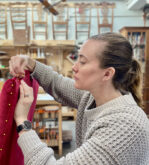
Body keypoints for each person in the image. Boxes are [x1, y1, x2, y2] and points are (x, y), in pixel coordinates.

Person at [9, 32, 149, 165]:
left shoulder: (124, 127)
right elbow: (56, 83)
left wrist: (22, 122)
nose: (74, 67)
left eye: (82, 62)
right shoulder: (92, 98)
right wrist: (30, 63)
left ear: (107, 74)